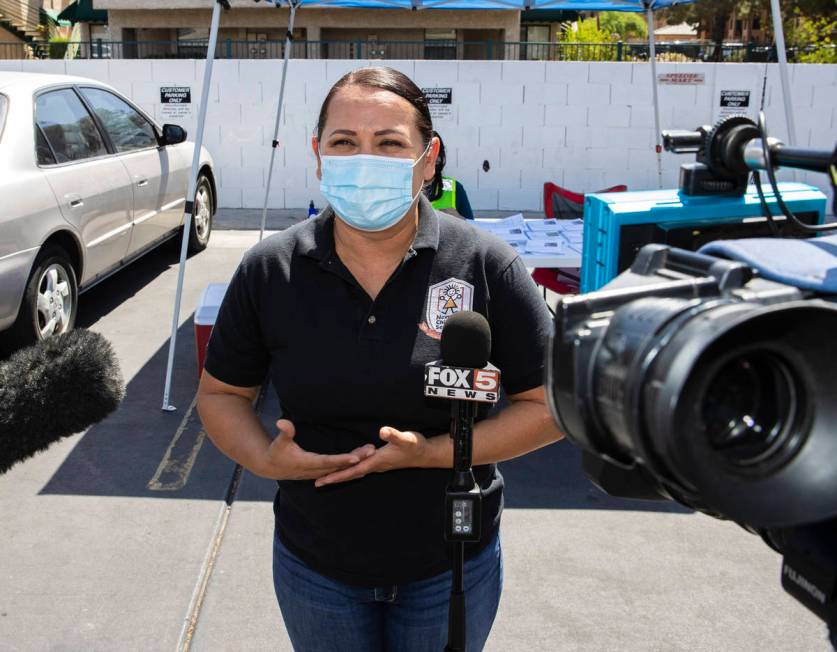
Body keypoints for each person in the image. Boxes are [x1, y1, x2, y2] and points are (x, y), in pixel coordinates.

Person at [196, 66, 563, 652]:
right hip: (316, 565)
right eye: (344, 142)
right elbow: (220, 396)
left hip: (449, 566)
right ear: (318, 155)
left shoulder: (486, 266)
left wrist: (432, 455)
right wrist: (267, 460)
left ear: (429, 157)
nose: (365, 158)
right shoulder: (270, 270)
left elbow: (548, 405)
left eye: (390, 143)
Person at [425, 130, 475, 220]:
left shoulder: (455, 188)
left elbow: (472, 228)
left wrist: (458, 220)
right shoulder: (401, 190)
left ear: (439, 158)